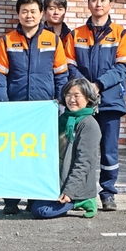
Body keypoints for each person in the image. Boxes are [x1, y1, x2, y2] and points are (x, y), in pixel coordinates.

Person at [0, 0, 68, 215]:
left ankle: (35, 198)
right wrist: (4, 104)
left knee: (39, 155)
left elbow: (61, 75)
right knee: (12, 154)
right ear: (18, 14)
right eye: (24, 11)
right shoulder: (7, 40)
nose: (29, 15)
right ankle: (11, 200)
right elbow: (0, 77)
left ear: (41, 14)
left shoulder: (53, 40)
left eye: (33, 11)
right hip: (15, 109)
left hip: (43, 110)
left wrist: (58, 102)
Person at [65, 0, 126, 212]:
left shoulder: (122, 34)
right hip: (80, 102)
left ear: (110, 4)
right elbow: (70, 65)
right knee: (79, 149)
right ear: (88, 4)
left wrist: (97, 85)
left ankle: (108, 193)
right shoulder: (75, 35)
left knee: (109, 150)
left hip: (111, 101)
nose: (98, 3)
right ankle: (78, 193)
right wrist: (85, 89)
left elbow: (123, 67)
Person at [30, 78, 100, 219]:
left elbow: (83, 162)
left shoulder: (89, 125)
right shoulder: (63, 119)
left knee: (40, 211)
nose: (71, 99)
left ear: (87, 98)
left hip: (77, 187)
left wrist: (70, 191)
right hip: (57, 181)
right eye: (68, 95)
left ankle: (82, 201)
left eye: (77, 95)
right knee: (31, 205)